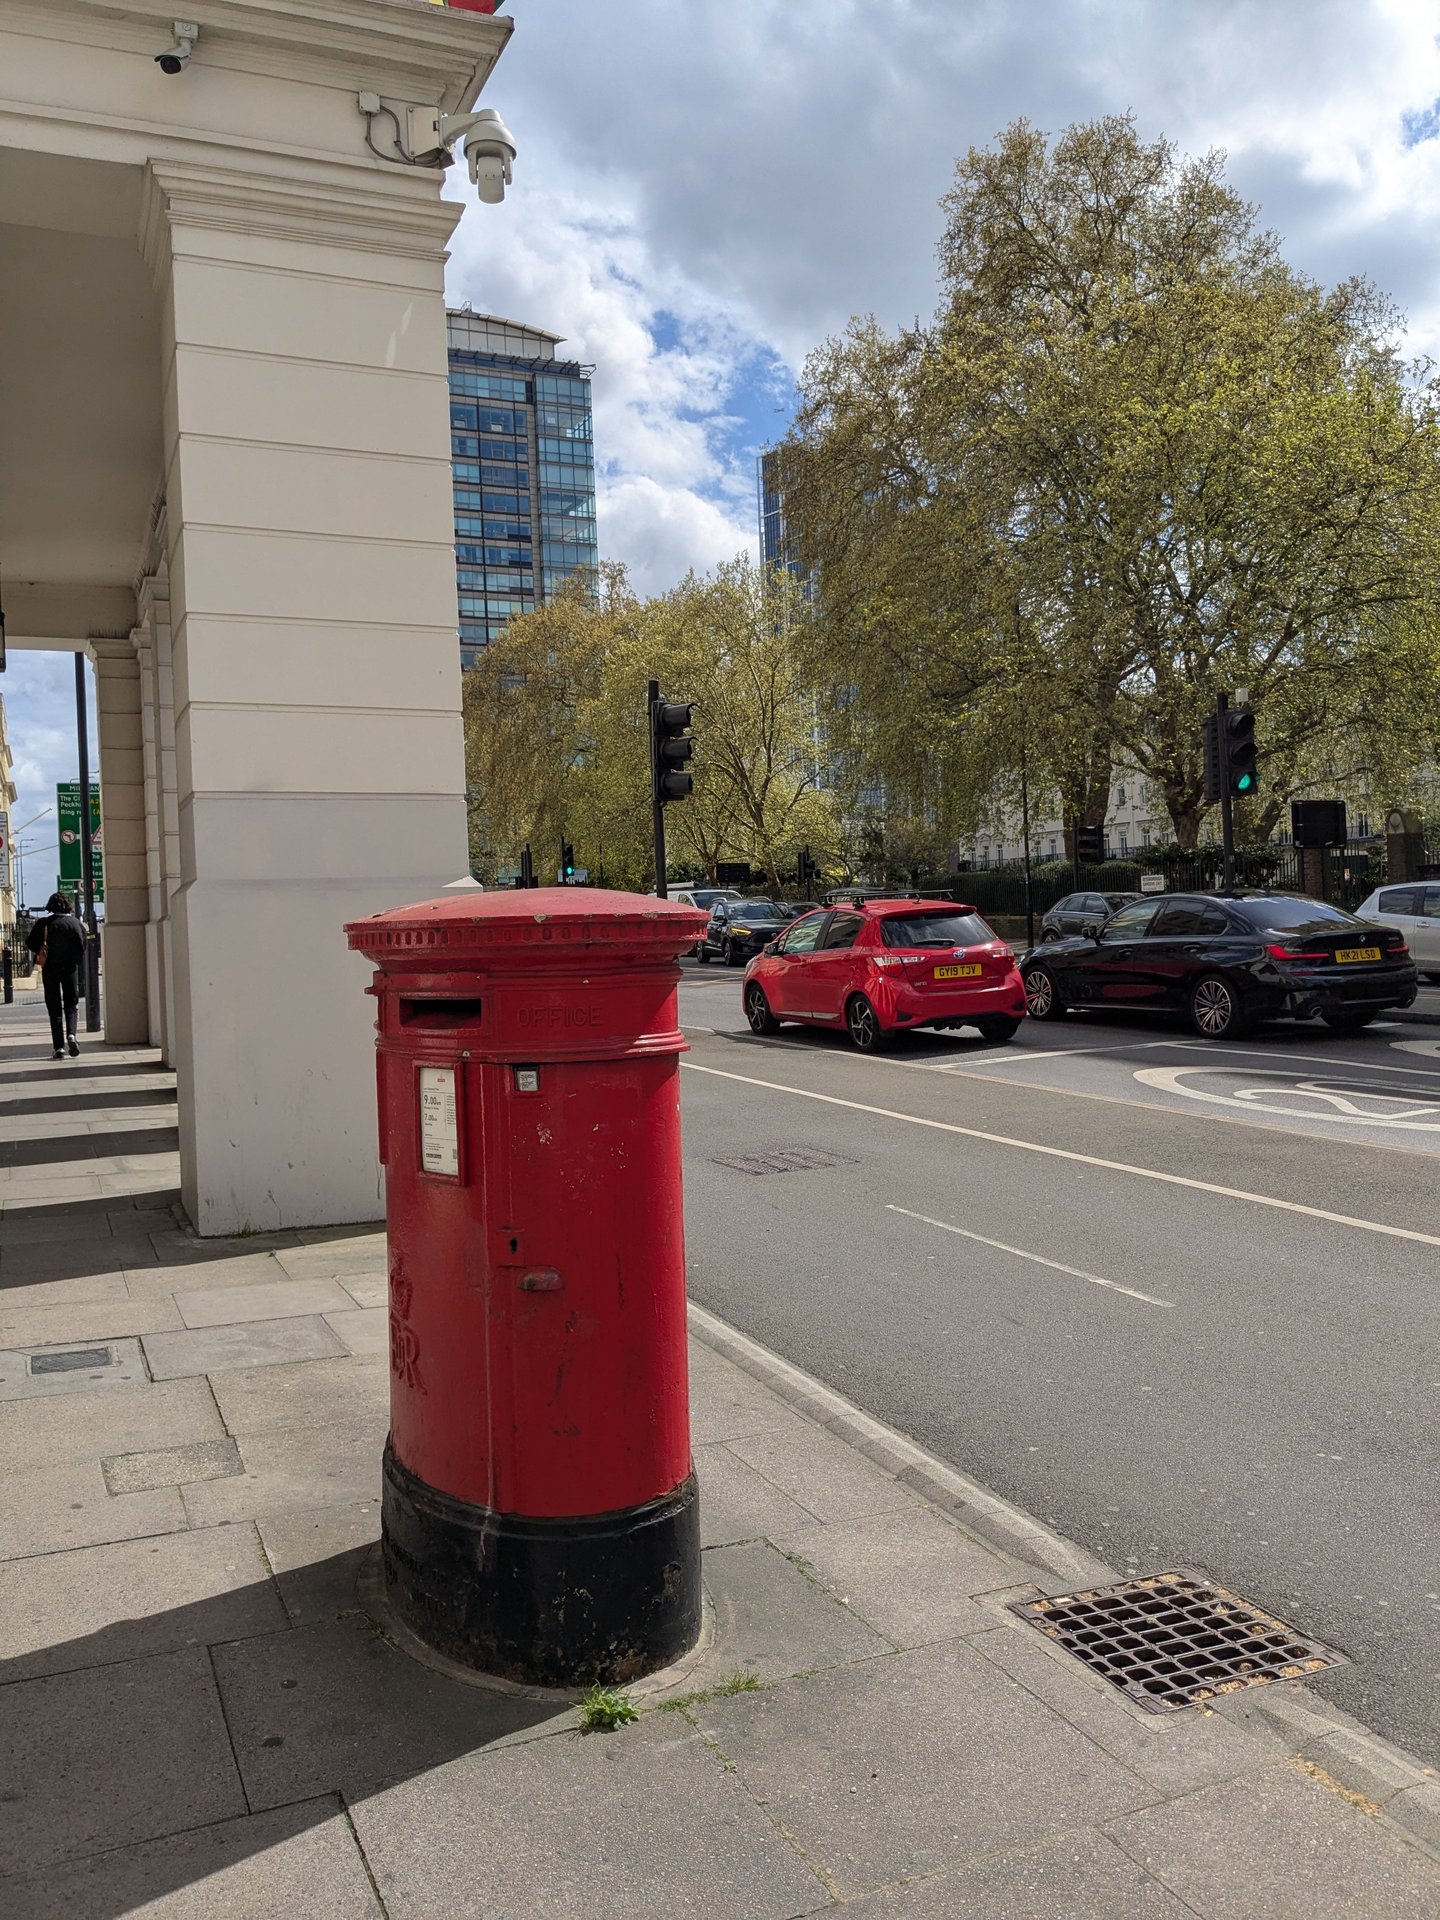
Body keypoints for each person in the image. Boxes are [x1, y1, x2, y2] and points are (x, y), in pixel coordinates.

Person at [27, 891, 86, 1059]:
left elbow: (30, 943)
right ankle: (72, 1035)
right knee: (71, 1004)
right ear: (68, 905)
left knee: (54, 1007)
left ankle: (59, 1047)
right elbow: (83, 947)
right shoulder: (75, 924)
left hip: (50, 970)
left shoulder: (43, 924)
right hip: (70, 969)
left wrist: (42, 950)